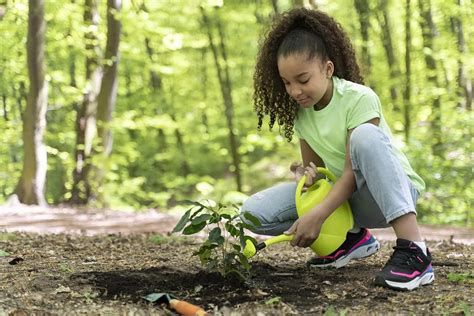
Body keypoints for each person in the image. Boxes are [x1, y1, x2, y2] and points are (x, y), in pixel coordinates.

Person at [240, 7, 434, 291]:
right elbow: (319, 173)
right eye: (287, 82)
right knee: (253, 213)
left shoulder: (359, 99)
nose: (294, 91)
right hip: (347, 201)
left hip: (388, 194)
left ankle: (415, 251)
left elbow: (351, 173)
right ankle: (351, 238)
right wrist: (306, 177)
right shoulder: (301, 114)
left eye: (303, 80)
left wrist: (317, 216)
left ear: (328, 69)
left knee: (365, 136)